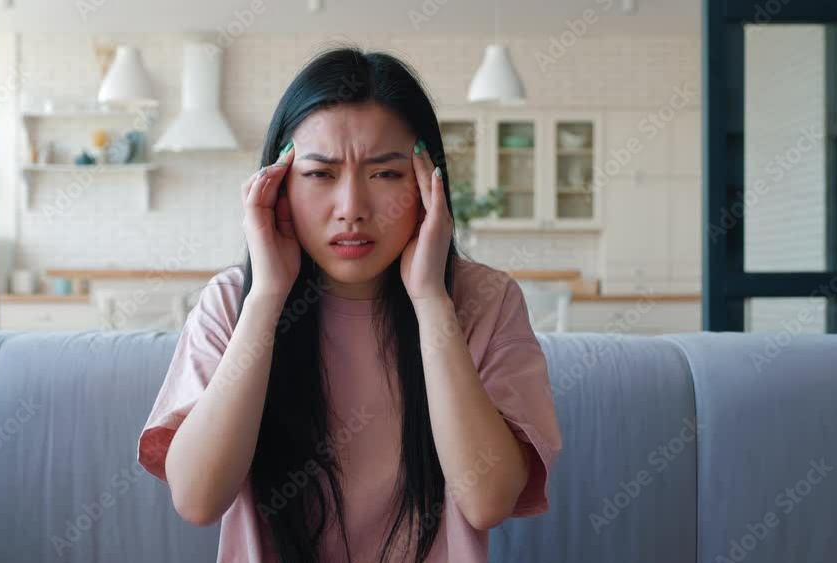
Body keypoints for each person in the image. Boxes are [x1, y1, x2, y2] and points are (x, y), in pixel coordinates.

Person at [137, 44, 562, 563]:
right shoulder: (234, 301)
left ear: (431, 184)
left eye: (385, 174)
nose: (352, 210)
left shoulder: (486, 300)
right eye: (319, 174)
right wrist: (268, 297)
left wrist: (430, 300)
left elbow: (487, 499)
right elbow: (198, 499)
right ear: (277, 187)